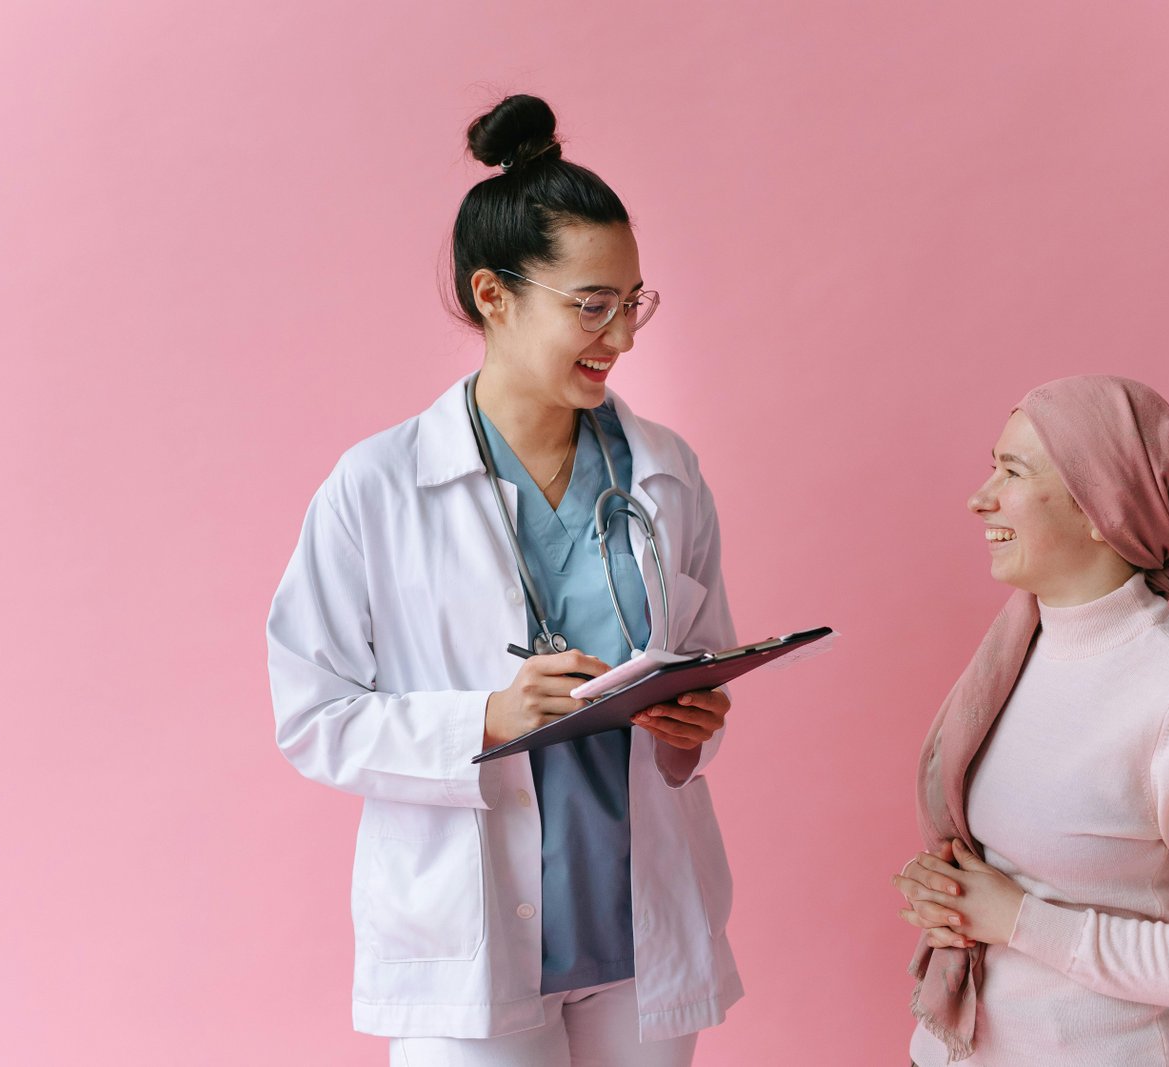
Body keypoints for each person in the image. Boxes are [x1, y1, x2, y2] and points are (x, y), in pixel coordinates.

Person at [266, 94, 741, 1066]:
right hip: (469, 933)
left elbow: (705, 665)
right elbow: (313, 715)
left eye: (633, 300)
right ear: (494, 295)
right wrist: (486, 715)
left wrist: (696, 726)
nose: (622, 334)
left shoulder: (667, 471)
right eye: (591, 305)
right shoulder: (380, 485)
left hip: (638, 925)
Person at [891, 375, 1169, 1066]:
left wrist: (1016, 919)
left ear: (1101, 506)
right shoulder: (1012, 658)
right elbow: (1009, 870)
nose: (980, 496)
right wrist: (953, 893)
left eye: (1012, 471)